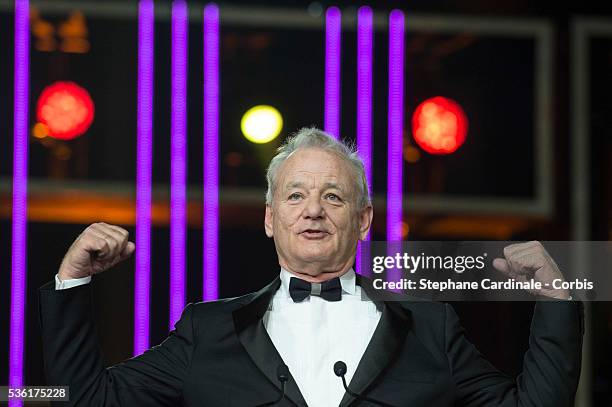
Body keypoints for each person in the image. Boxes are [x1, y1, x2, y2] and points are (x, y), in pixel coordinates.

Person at [39, 127, 584, 406]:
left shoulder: (431, 327)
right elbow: (88, 399)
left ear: (365, 219)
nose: (314, 210)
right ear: (272, 219)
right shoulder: (207, 332)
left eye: (333, 196)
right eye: (296, 196)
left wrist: (558, 301)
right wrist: (72, 278)